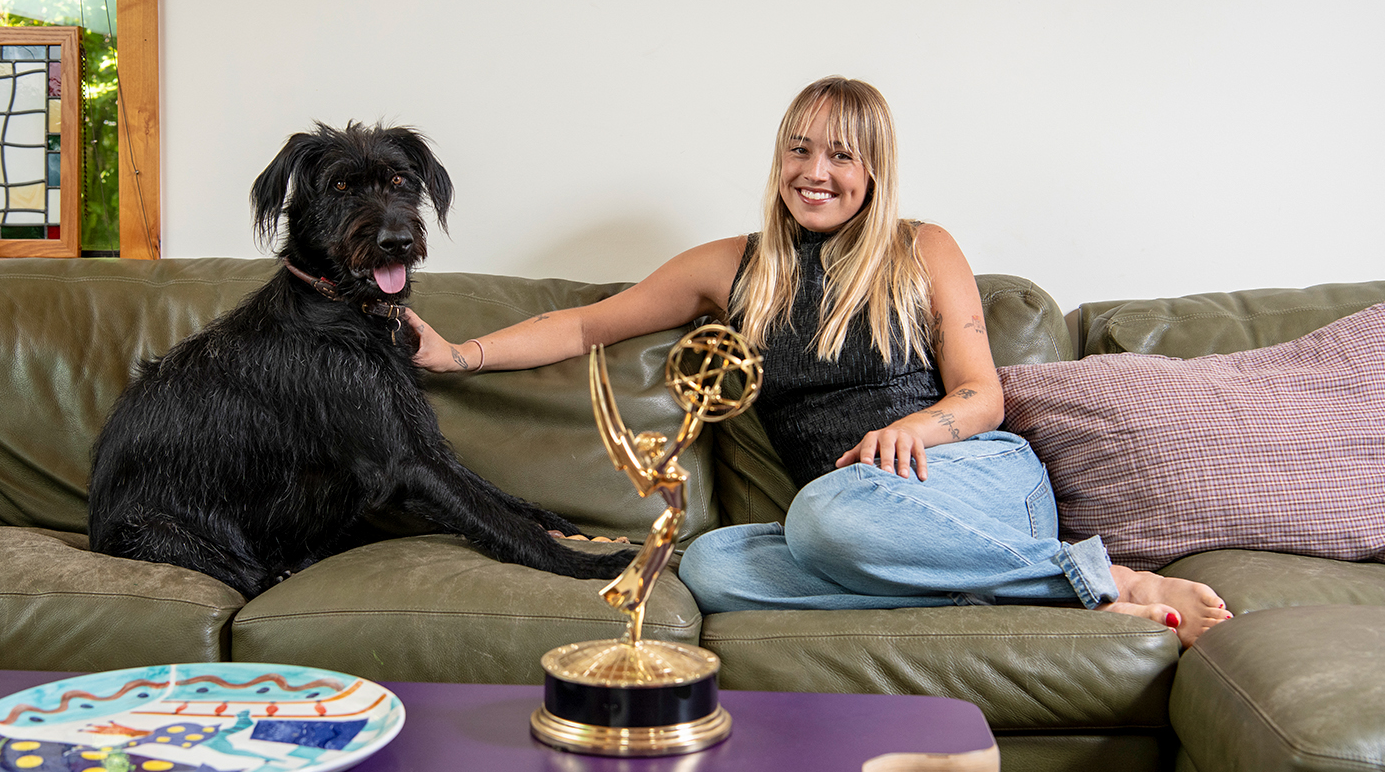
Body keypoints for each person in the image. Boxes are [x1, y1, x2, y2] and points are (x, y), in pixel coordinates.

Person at [406, 76, 1232, 647]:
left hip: (972, 481)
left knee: (822, 516)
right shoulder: (732, 267)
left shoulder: (921, 248)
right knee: (719, 566)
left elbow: (982, 396)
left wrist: (917, 429)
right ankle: (1040, 595)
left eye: (840, 155)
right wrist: (457, 353)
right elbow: (586, 325)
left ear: (872, 169)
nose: (816, 173)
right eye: (800, 151)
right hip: (852, 514)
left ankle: (1109, 579)